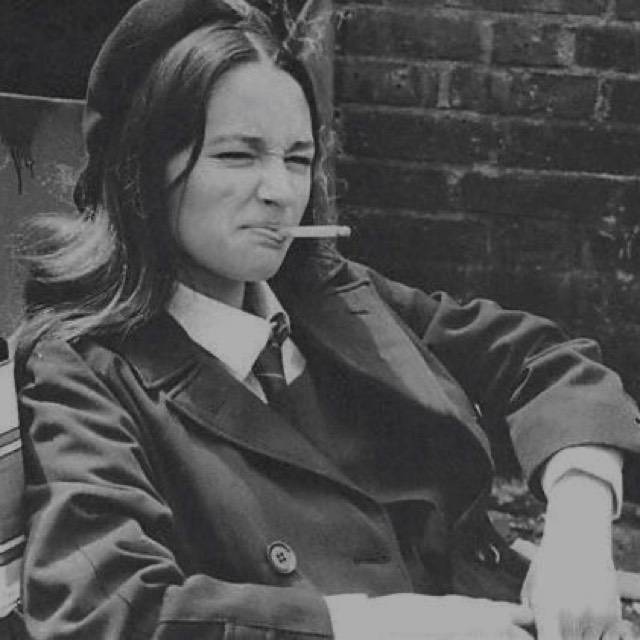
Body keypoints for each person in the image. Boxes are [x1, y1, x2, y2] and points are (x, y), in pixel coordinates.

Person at [14, 0, 640, 638]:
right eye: (237, 155)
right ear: (144, 169)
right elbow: (107, 608)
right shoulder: (86, 368)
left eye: (296, 158)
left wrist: (578, 528)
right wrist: (379, 628)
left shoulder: (329, 292)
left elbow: (542, 360)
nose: (281, 192)